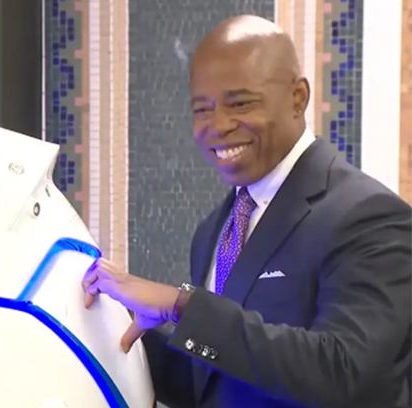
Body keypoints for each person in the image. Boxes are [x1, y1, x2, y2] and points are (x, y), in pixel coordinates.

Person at [82, 14, 412, 408]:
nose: (218, 125)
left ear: (298, 98)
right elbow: (216, 386)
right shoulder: (214, 230)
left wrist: (181, 305)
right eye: (202, 110)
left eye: (239, 103)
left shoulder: (368, 217)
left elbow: (345, 373)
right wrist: (106, 326)